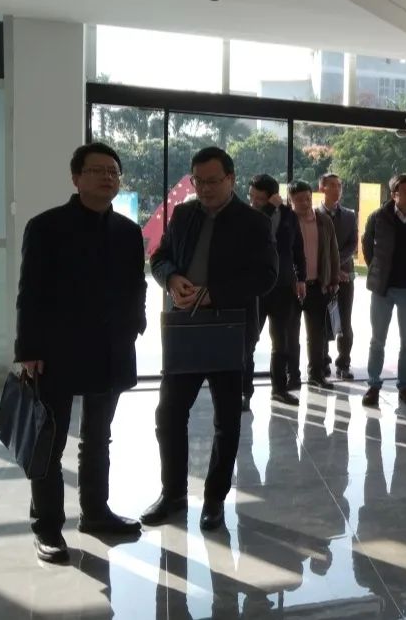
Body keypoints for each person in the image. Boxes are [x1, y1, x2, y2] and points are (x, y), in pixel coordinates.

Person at [15, 142, 146, 562]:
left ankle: (96, 513)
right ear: (76, 178)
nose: (107, 177)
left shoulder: (128, 232)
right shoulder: (46, 226)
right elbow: (30, 292)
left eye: (113, 171)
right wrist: (28, 348)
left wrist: (136, 324)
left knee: (98, 437)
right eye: (97, 170)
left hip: (110, 348)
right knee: (49, 442)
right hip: (57, 350)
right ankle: (48, 527)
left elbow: (136, 285)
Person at [142, 147, 277, 531]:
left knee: (227, 420)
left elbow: (265, 276)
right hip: (184, 329)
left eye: (213, 181)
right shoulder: (184, 215)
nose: (204, 188)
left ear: (231, 179)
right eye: (198, 181)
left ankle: (215, 499)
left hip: (229, 330)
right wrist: (171, 279)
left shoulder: (253, 222)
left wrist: (213, 294)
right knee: (169, 414)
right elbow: (160, 257)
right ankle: (173, 494)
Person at [361, 174, 406, 407]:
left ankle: (404, 386)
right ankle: (373, 385)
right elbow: (367, 245)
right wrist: (377, 269)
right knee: (377, 340)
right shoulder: (379, 217)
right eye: (405, 191)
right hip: (383, 288)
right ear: (394, 195)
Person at [243, 174, 305, 410]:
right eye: (251, 196)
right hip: (255, 289)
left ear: (273, 196)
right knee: (248, 342)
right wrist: (267, 208)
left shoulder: (289, 215)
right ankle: (244, 393)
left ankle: (279, 389)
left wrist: (301, 277)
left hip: (283, 288)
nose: (253, 201)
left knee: (281, 343)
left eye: (258, 198)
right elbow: (252, 235)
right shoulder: (248, 216)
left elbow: (297, 248)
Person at [288, 181, 340, 390]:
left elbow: (333, 251)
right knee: (291, 335)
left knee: (317, 336)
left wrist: (333, 279)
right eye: (299, 199)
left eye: (307, 198)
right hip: (291, 288)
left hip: (317, 286)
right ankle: (292, 376)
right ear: (290, 200)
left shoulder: (323, 220)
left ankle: (316, 375)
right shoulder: (287, 221)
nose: (304, 203)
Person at [316, 173, 357, 381]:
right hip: (321, 277)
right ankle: (322, 362)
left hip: (344, 276)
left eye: (339, 186)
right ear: (322, 188)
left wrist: (336, 265)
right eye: (332, 185)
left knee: (344, 321)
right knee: (321, 321)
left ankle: (344, 363)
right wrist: (331, 268)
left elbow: (352, 245)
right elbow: (314, 246)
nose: (336, 189)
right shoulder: (314, 215)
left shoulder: (349, 215)